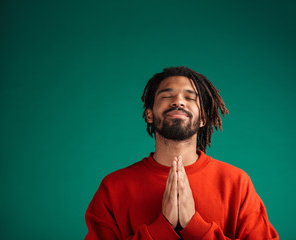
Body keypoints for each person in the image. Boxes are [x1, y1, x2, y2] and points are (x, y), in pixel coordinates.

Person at [84, 66, 279, 239]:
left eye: (190, 97)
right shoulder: (113, 186)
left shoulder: (236, 183)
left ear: (203, 118)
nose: (178, 101)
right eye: (166, 96)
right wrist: (160, 229)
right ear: (149, 114)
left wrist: (195, 227)